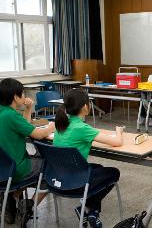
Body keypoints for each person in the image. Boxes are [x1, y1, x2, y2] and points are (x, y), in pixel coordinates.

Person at [54, 88, 123, 228]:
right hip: (75, 181)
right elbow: (117, 142)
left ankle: (89, 211)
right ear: (86, 107)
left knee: (99, 169)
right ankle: (92, 210)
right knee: (114, 172)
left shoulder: (60, 125)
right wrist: (118, 131)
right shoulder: (82, 128)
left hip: (58, 177)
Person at [0, 78, 55, 226]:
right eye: (22, 93)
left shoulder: (0, 115)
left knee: (39, 161)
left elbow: (25, 127)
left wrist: (28, 109)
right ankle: (29, 206)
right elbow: (39, 135)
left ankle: (13, 196)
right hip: (17, 168)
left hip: (2, 168)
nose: (24, 96)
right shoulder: (11, 116)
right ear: (15, 96)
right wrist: (52, 126)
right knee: (51, 169)